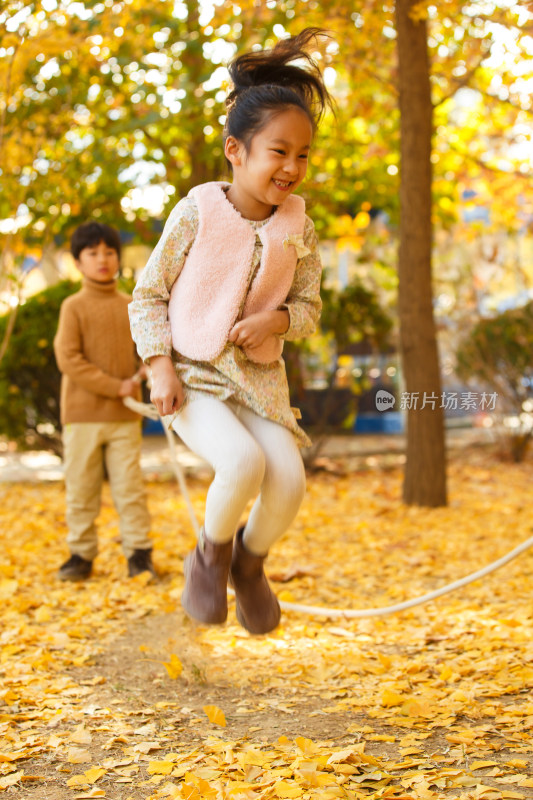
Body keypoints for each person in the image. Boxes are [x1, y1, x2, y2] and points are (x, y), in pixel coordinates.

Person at [129, 29, 332, 633]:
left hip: (260, 381)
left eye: (302, 155)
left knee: (289, 481)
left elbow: (310, 308)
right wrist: (158, 363)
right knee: (241, 463)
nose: (292, 167)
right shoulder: (198, 211)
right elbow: (148, 295)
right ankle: (207, 557)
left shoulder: (300, 226)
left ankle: (248, 564)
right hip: (191, 375)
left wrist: (279, 319)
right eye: (278, 151)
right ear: (236, 150)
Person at [54, 221, 153, 581]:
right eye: (92, 253)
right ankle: (80, 554)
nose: (102, 259)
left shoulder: (132, 304)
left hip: (125, 417)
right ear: (78, 262)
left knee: (130, 488)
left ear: (118, 257)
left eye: (109, 252)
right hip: (81, 417)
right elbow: (69, 359)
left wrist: (145, 370)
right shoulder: (73, 307)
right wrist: (116, 386)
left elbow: (147, 350)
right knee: (81, 488)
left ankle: (139, 554)